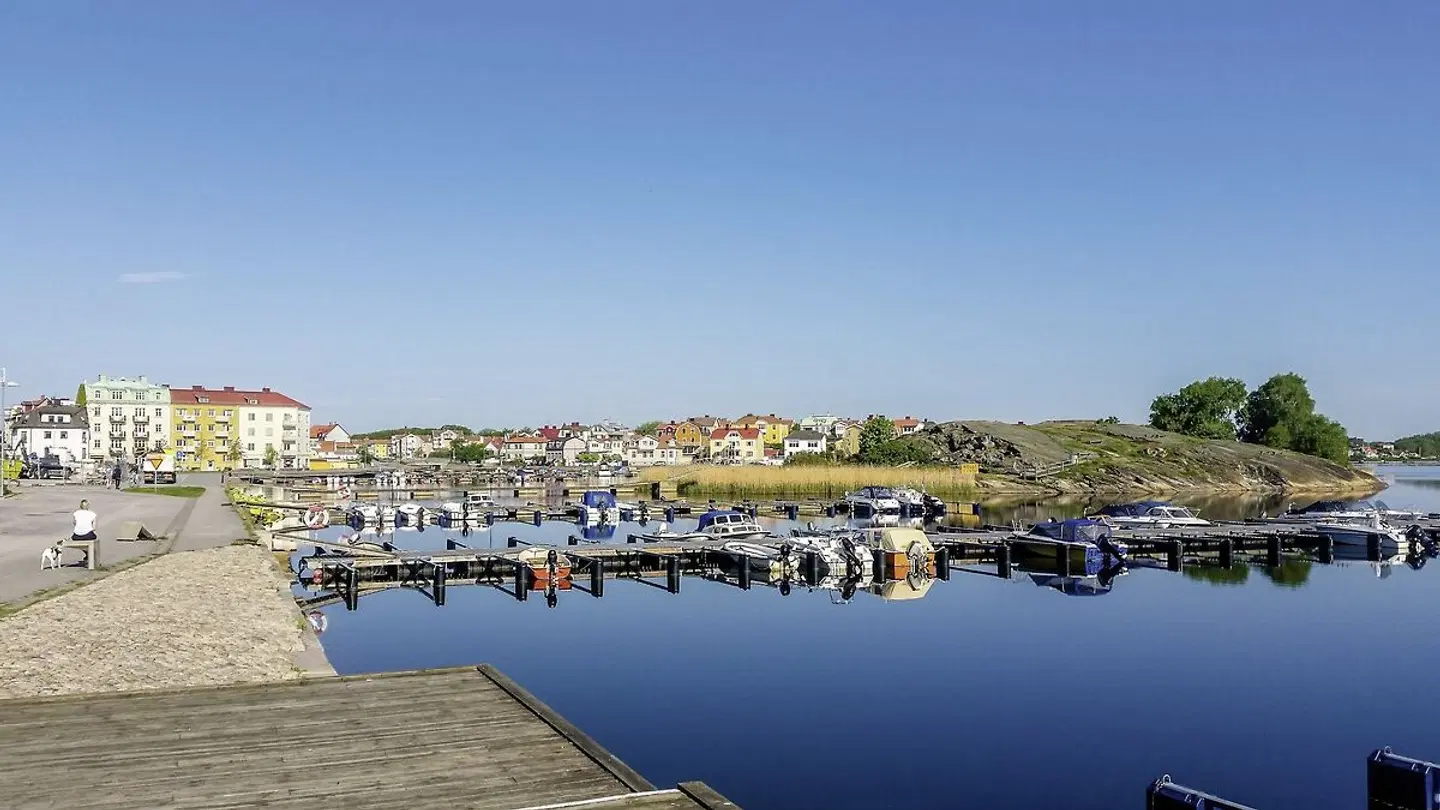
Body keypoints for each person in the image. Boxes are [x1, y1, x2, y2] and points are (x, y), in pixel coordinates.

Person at [71, 499, 98, 566]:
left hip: (76, 536)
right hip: (87, 535)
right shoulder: (92, 514)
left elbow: (74, 523)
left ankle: (87, 554)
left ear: (80, 506)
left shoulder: (76, 513)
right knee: (94, 537)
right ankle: (89, 554)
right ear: (88, 506)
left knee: (81, 542)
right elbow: (94, 528)